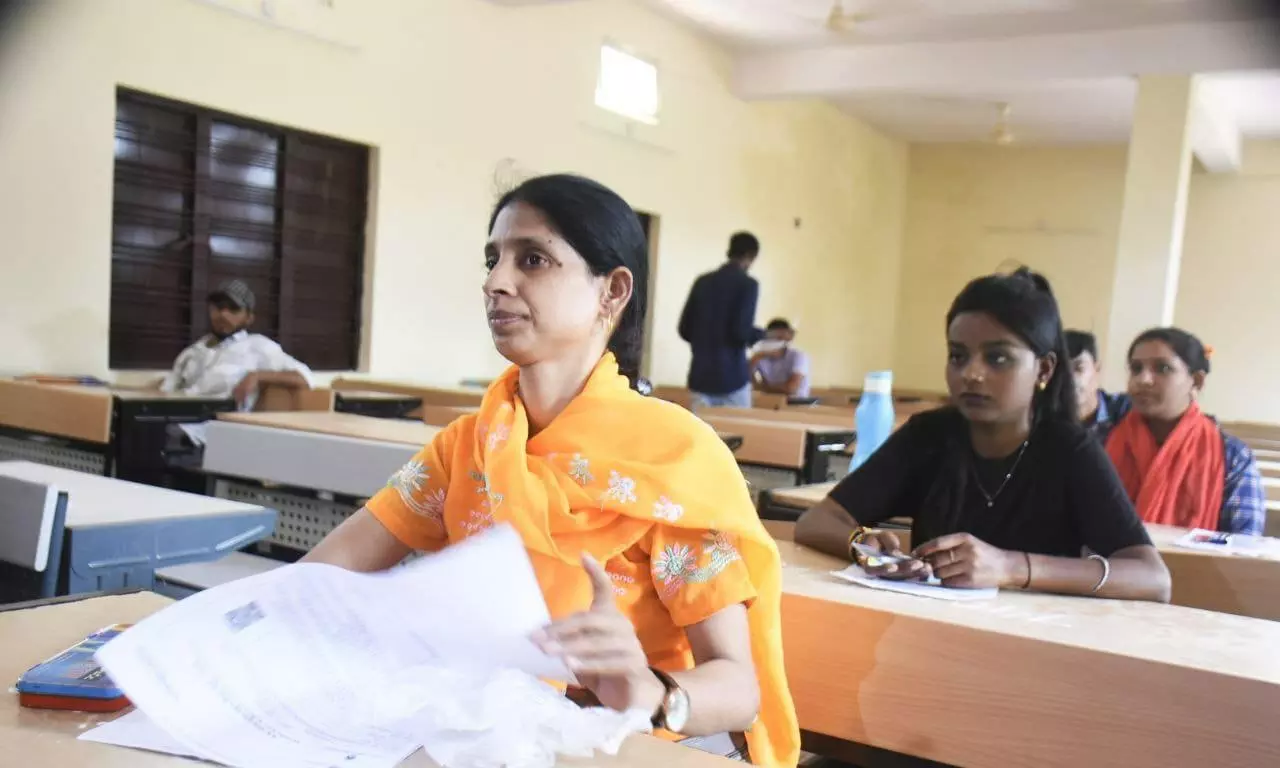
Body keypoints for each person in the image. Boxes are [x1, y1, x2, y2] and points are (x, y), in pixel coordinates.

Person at [303, 175, 798, 766]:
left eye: (533, 259)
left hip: (624, 746)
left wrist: (650, 691)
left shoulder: (670, 460)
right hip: (482, 731)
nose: (495, 282)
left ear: (612, 291)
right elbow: (316, 580)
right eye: (493, 259)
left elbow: (739, 691)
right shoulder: (468, 446)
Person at [794, 268, 1170, 602]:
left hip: (1036, 641)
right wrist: (860, 544)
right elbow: (816, 521)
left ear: (1043, 369)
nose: (971, 374)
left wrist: (1011, 567)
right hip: (930, 629)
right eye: (958, 356)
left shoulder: (1069, 450)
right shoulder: (929, 436)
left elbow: (1152, 577)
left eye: (998, 358)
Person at [1106, 328, 1265, 535]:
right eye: (1136, 369)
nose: (1143, 379)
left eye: (1162, 368)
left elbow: (1243, 545)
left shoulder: (1232, 456)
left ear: (1197, 381)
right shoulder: (1102, 442)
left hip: (1196, 559)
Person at [158, 279, 313, 408]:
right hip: (177, 417)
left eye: (233, 309)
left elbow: (305, 378)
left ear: (249, 318)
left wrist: (256, 376)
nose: (223, 314)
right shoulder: (193, 351)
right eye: (218, 307)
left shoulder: (257, 346)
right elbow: (166, 390)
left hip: (217, 425)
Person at [677, 232, 765, 409]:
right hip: (731, 379)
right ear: (751, 256)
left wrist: (704, 343)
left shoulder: (702, 282)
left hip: (700, 376)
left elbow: (684, 328)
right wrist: (763, 334)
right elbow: (740, 332)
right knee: (737, 427)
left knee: (701, 427)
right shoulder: (748, 284)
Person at [1065, 330, 1130, 442]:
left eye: (1079, 368)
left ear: (1097, 369)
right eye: (1062, 370)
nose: (1070, 379)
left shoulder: (1123, 410)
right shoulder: (1044, 418)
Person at [750, 319, 811, 398]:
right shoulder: (761, 356)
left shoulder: (798, 356)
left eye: (780, 337)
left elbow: (791, 389)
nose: (776, 340)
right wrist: (755, 358)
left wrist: (762, 388)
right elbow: (746, 383)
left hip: (796, 402)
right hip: (769, 400)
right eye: (773, 337)